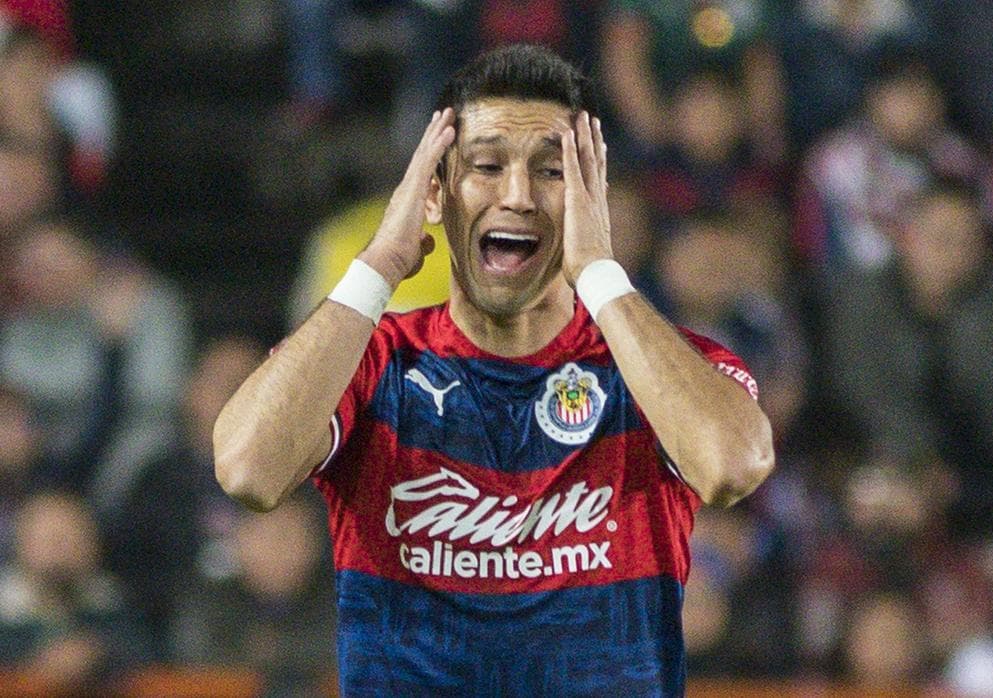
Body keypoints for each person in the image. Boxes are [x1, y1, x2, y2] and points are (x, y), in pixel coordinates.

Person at [213, 44, 775, 695]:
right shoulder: (373, 363)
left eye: (552, 170)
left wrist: (599, 272)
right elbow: (248, 469)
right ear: (435, 191)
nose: (517, 196)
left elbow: (732, 465)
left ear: (592, 198)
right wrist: (378, 265)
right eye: (486, 165)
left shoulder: (660, 368)